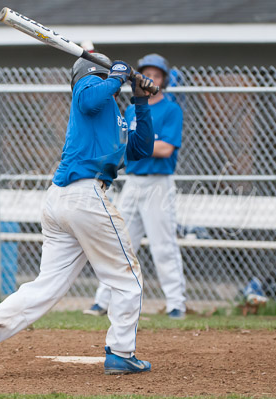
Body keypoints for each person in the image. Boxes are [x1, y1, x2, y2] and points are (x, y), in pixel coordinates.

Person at [0, 55, 156, 378]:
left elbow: (141, 150)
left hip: (62, 200)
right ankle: (121, 352)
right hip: (84, 196)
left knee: (46, 287)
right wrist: (116, 77)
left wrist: (141, 102)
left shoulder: (112, 116)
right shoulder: (89, 88)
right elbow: (88, 99)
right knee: (127, 278)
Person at [84, 54, 186, 319]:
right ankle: (102, 301)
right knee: (118, 242)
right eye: (146, 73)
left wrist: (140, 145)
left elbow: (165, 149)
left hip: (158, 185)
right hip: (132, 183)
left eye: (157, 74)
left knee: (163, 246)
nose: (151, 78)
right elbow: (128, 145)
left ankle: (176, 303)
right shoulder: (131, 109)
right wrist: (139, 145)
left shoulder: (171, 109)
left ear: (165, 79)